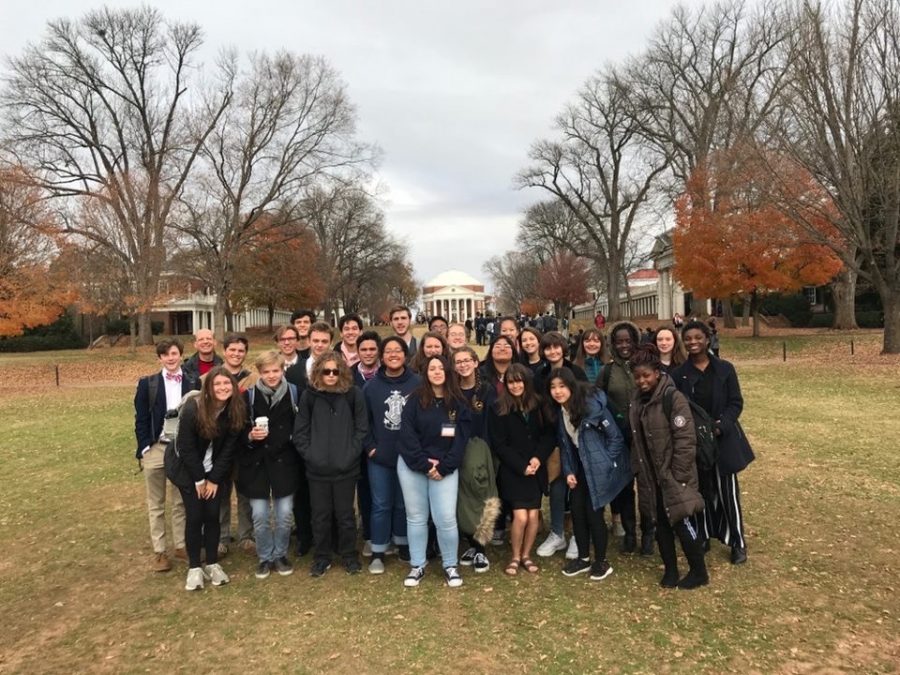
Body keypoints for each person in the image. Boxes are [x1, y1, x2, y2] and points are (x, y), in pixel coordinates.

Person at [672, 320, 754, 565]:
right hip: (696, 441)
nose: (693, 342)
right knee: (702, 490)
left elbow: (735, 402)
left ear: (707, 339)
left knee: (728, 493)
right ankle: (704, 534)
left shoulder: (725, 369)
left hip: (722, 439)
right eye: (688, 339)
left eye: (698, 338)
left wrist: (722, 425)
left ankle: (737, 541)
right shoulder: (679, 375)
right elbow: (678, 408)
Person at [628, 344, 708, 589]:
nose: (642, 381)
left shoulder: (673, 398)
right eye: (638, 376)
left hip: (673, 476)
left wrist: (678, 474)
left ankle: (698, 571)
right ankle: (670, 570)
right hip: (650, 475)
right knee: (660, 523)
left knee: (681, 522)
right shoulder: (636, 402)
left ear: (658, 372)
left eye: (646, 375)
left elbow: (686, 439)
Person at [166, 366, 246, 591]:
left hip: (214, 471)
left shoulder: (235, 410)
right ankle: (194, 567)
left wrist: (213, 479)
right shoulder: (194, 408)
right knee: (195, 515)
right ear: (208, 388)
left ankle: (212, 563)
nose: (222, 388)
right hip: (187, 470)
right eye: (217, 384)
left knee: (212, 514)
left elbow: (229, 450)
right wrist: (199, 480)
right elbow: (186, 447)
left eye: (226, 384)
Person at [549, 367, 629, 581]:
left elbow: (615, 438)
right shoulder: (562, 411)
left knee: (594, 514)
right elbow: (566, 446)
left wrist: (605, 463)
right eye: (553, 387)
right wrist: (568, 472)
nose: (558, 391)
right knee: (577, 512)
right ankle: (583, 558)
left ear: (571, 387)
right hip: (580, 469)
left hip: (599, 468)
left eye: (562, 386)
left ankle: (601, 561)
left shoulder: (593, 407)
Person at [397, 355, 471, 588]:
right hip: (413, 466)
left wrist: (444, 466)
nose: (437, 372)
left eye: (441, 368)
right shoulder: (415, 399)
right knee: (416, 518)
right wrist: (424, 464)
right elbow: (406, 435)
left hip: (445, 469)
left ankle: (450, 565)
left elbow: (461, 439)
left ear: (448, 371)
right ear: (425, 372)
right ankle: (417, 565)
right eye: (432, 368)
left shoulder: (458, 402)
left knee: (445, 519)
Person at [294, 352, 368, 577]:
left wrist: (350, 455)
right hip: (317, 470)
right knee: (321, 516)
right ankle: (322, 557)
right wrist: (312, 456)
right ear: (318, 372)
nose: (331, 375)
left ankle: (348, 555)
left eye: (335, 371)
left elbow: (361, 429)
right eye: (326, 371)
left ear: (342, 372)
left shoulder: (353, 395)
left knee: (346, 515)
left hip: (346, 468)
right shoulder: (309, 397)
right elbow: (300, 432)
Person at [489, 364, 555, 576]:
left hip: (536, 469)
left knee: (534, 516)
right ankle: (515, 556)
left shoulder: (539, 404)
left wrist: (537, 458)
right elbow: (500, 444)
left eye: (519, 381)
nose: (515, 385)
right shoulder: (499, 408)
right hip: (514, 471)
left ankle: (527, 554)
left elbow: (548, 435)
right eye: (510, 381)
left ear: (526, 382)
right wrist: (521, 466)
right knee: (521, 517)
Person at [240, 351, 299, 579]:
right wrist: (250, 436)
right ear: (259, 373)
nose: (272, 375)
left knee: (284, 514)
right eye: (266, 372)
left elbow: (301, 426)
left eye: (276, 370)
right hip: (257, 465)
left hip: (285, 463)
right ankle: (265, 556)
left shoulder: (294, 393)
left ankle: (280, 554)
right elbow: (238, 430)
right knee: (260, 515)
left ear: (282, 370)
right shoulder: (248, 397)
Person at [363, 336, 419, 574]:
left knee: (403, 503)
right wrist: (371, 447)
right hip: (381, 456)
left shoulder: (418, 383)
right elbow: (363, 423)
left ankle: (402, 542)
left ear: (405, 355)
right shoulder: (371, 387)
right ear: (382, 356)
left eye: (398, 350)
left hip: (409, 455)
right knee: (381, 503)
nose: (393, 354)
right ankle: (378, 549)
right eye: (388, 351)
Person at [598, 320, 655, 556]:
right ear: (613, 344)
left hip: (645, 436)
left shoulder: (644, 367)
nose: (624, 345)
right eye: (619, 341)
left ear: (635, 341)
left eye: (628, 341)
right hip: (620, 438)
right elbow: (598, 400)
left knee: (647, 487)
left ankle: (649, 533)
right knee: (624, 489)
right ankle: (630, 533)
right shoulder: (608, 371)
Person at [133, 338, 190, 572]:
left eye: (174, 353)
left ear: (180, 355)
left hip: (181, 448)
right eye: (165, 354)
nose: (170, 358)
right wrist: (145, 446)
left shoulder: (192, 381)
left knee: (180, 501)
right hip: (156, 447)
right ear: (160, 358)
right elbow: (141, 418)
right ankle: (159, 552)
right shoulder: (148, 384)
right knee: (156, 502)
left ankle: (181, 545)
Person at [535, 331, 588, 560]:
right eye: (548, 348)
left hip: (577, 435)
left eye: (556, 347)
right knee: (557, 485)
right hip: (553, 436)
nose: (552, 352)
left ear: (563, 348)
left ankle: (578, 533)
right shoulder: (541, 374)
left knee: (578, 485)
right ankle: (557, 533)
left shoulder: (575, 371)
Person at [453, 346, 498, 573]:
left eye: (466, 360)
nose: (462, 365)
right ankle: (470, 543)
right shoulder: (452, 391)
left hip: (482, 448)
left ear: (475, 362)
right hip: (458, 449)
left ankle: (482, 547)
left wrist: (489, 451)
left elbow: (494, 422)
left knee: (484, 495)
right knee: (463, 498)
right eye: (458, 362)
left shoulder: (487, 390)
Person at [217, 334, 254, 557]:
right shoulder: (210, 378)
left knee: (245, 493)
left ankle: (246, 535)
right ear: (225, 351)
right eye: (232, 350)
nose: (236, 354)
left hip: (245, 445)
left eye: (241, 350)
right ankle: (220, 537)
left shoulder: (253, 379)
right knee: (221, 494)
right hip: (220, 446)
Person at [351, 330, 380, 555]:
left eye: (372, 349)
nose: (368, 353)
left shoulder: (388, 373)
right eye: (364, 350)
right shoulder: (349, 375)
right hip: (359, 443)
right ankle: (370, 535)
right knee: (366, 492)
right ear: (357, 351)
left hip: (384, 442)